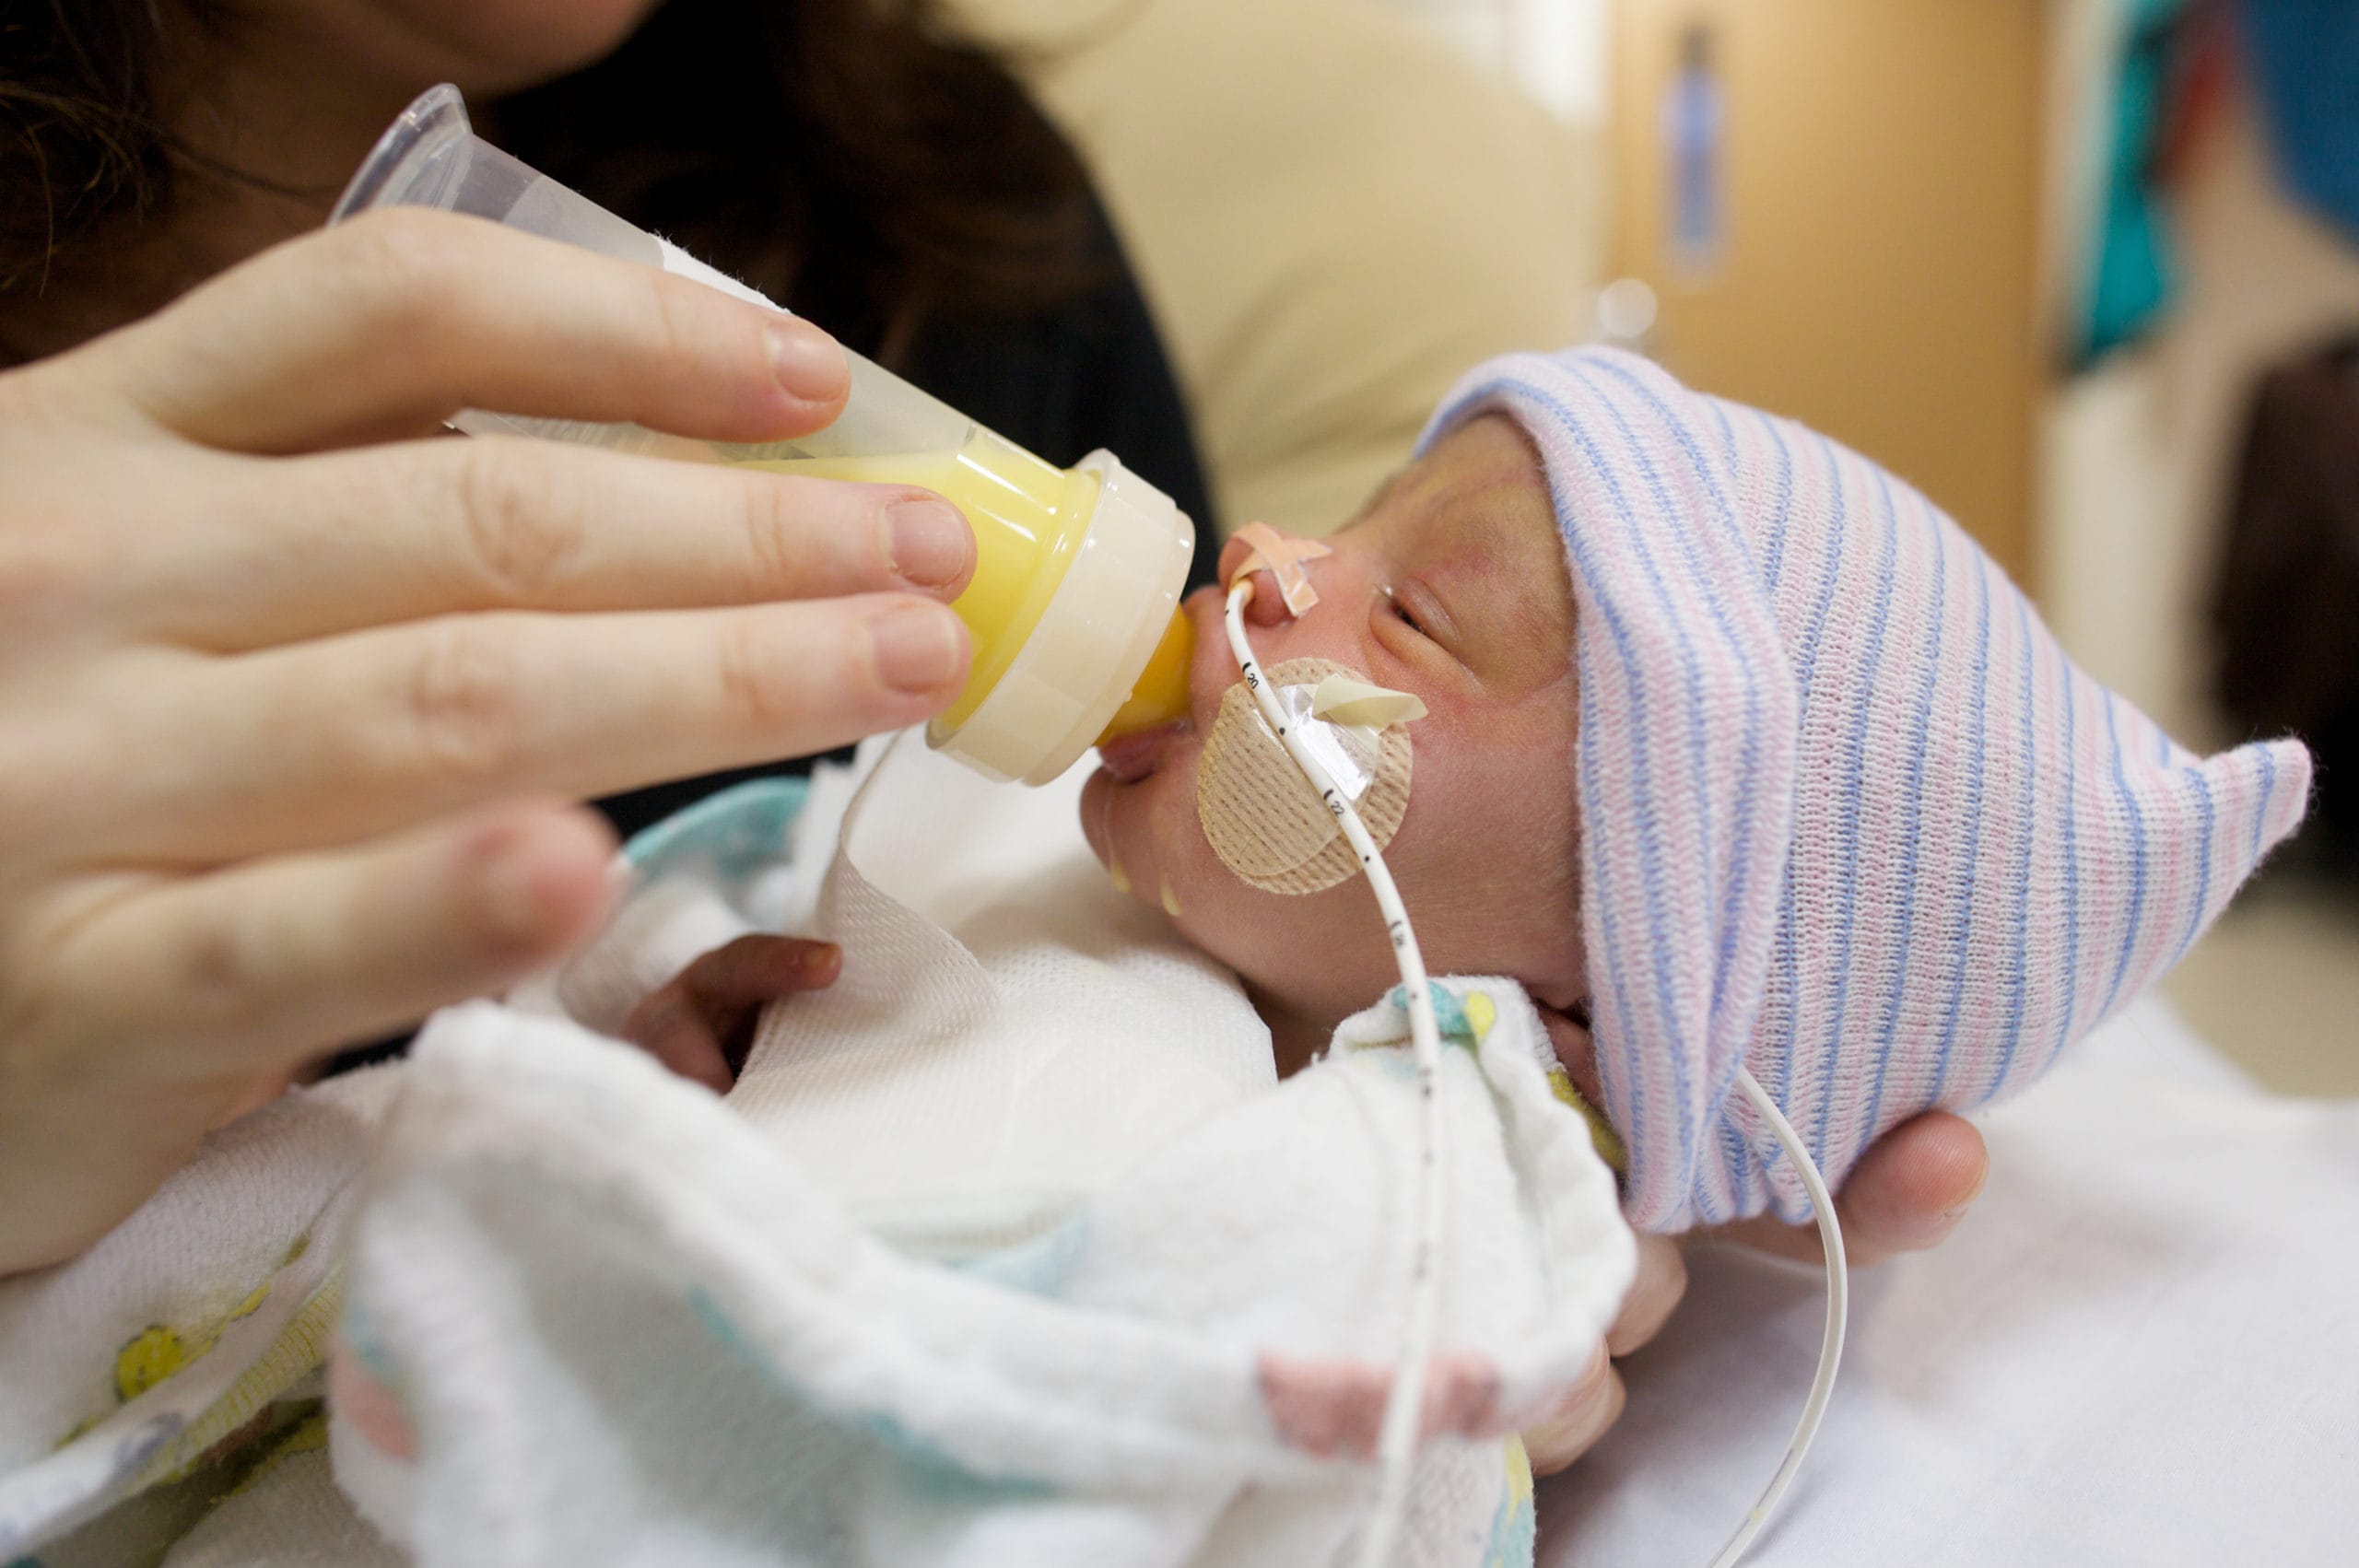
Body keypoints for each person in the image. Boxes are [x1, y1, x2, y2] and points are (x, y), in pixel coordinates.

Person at [0, 0, 1976, 1478]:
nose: (1264, 561)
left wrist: (1446, 1207)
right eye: (1346, 523)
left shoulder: (960, 228)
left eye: (1419, 606)